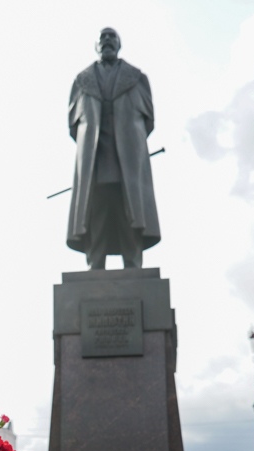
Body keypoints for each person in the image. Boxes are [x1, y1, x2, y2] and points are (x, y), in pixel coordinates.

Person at [67, 28, 160, 270]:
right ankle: (95, 267)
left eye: (112, 37)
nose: (107, 40)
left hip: (128, 163)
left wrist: (130, 140)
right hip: (95, 163)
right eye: (102, 37)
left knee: (129, 217)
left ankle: (133, 266)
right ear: (96, 45)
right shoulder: (81, 80)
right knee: (96, 217)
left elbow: (148, 121)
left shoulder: (137, 78)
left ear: (119, 44)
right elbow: (72, 125)